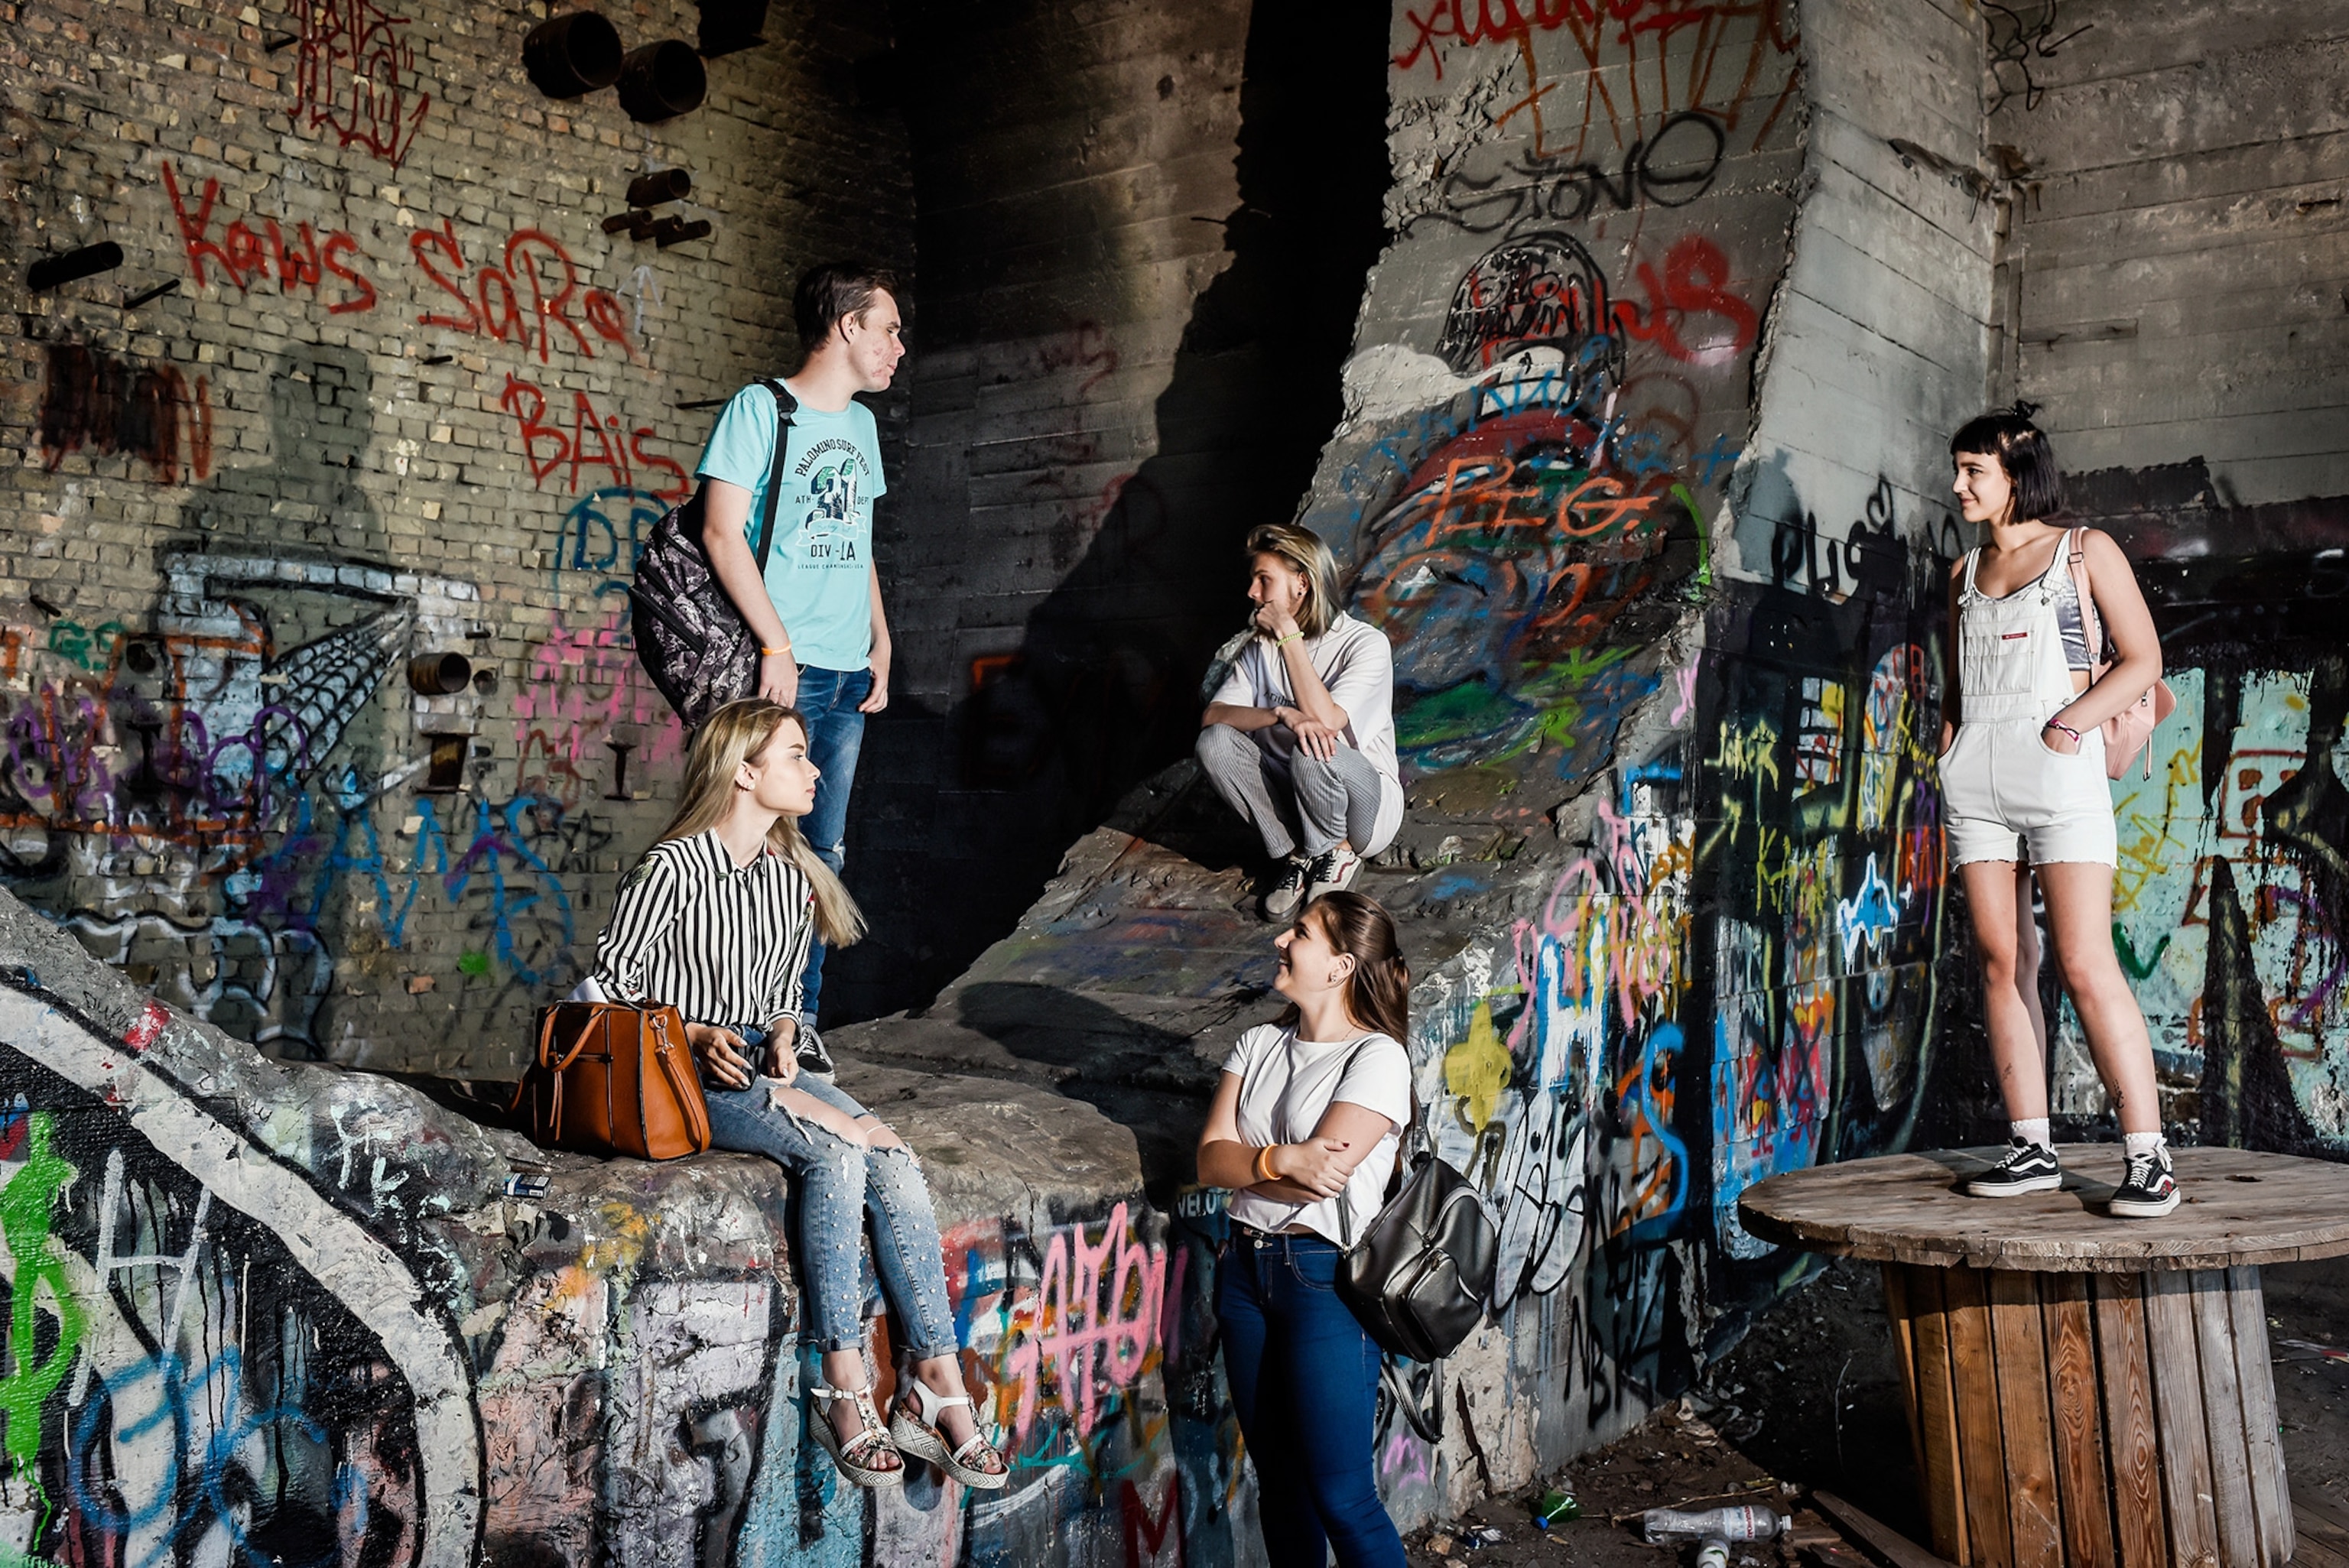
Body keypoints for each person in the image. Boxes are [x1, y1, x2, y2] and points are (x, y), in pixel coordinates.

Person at [589, 699, 1009, 1491]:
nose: (815, 770)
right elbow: (604, 991)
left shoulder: (790, 877)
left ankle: (934, 1375)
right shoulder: (670, 867)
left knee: (892, 1154)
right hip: (684, 1073)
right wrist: (690, 1032)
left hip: (763, 1064)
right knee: (836, 1151)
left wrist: (785, 1029)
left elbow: (786, 994)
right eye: (794, 754)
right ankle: (839, 1375)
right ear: (744, 772)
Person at [1938, 405, 2177, 1217]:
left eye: (1974, 470)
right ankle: (2031, 1146)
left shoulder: (2085, 549)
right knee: (2003, 961)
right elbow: (1956, 688)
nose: (1958, 484)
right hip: (1977, 785)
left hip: (2059, 772)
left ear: (2016, 474)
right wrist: (1948, 757)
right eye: (1958, 469)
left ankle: (2148, 1159)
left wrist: (2070, 724)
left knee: (2083, 960)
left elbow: (2144, 659)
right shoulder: (1961, 574)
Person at [693, 261, 906, 1076]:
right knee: (742, 846)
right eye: (889, 329)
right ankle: (723, 1019)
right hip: (780, 670)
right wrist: (775, 646)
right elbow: (721, 532)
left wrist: (880, 639)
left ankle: (797, 1019)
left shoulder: (863, 427)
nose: (898, 348)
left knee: (822, 853)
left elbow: (858, 543)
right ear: (848, 325)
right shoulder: (761, 408)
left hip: (846, 670)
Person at [1196, 890, 1412, 1567]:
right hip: (1242, 1274)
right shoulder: (1258, 1043)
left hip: (1324, 1279)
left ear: (1341, 965)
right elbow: (1208, 1162)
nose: (1280, 942)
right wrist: (1280, 1159)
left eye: (1300, 933)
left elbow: (1319, 1181)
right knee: (1281, 1488)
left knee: (1342, 1496)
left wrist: (1252, 1166)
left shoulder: (1377, 1058)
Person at [1198, 524, 1403, 921]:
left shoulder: (1364, 644)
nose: (1252, 592)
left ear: (1302, 585)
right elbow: (1214, 715)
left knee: (1313, 747)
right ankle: (1299, 855)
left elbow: (1326, 723)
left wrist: (1289, 638)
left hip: (1362, 807)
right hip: (1295, 797)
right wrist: (1279, 713)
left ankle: (1338, 852)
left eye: (1264, 580)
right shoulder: (1259, 647)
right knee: (1214, 743)